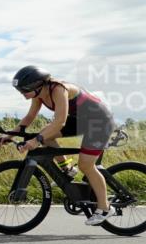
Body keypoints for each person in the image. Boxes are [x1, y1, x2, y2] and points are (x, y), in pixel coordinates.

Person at [8, 65, 117, 225]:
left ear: (37, 86)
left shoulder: (59, 90)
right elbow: (30, 116)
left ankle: (105, 208)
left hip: (98, 122)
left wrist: (35, 141)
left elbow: (60, 121)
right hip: (80, 120)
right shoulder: (38, 94)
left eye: (24, 91)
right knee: (47, 136)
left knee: (86, 165)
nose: (22, 94)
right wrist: (8, 135)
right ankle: (68, 169)